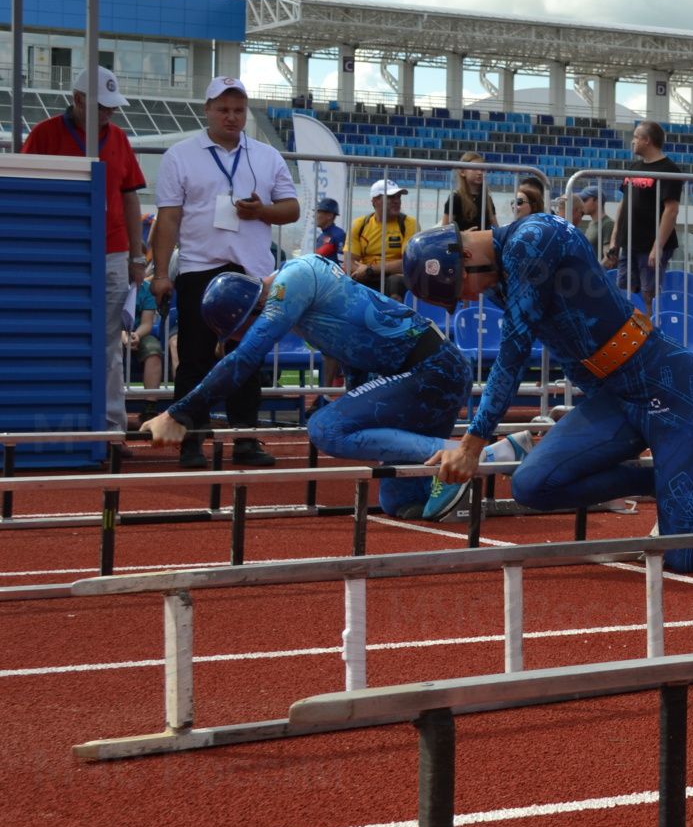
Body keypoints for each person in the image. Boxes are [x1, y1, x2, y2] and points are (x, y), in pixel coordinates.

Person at [406, 215, 693, 563]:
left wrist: (472, 443)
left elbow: (513, 354)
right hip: (617, 401)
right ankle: (660, 481)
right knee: (531, 485)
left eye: (461, 289)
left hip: (671, 391)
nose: (470, 298)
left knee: (686, 556)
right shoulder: (498, 275)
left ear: (465, 257)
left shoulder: (532, 240)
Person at [135, 255, 507, 518]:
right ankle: (467, 466)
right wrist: (358, 410)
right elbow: (356, 360)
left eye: (240, 331)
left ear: (251, 309)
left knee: (324, 428)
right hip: (428, 376)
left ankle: (478, 455)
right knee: (399, 500)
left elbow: (245, 359)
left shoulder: (292, 281)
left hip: (433, 370)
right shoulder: (304, 308)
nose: (241, 339)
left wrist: (177, 414)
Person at [149, 76, 298, 468]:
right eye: (223, 109)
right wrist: (161, 273)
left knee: (246, 357)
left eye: (238, 110)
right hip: (200, 267)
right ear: (207, 111)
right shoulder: (180, 155)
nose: (232, 117)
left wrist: (261, 211)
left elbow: (292, 208)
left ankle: (245, 439)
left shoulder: (267, 156)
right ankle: (191, 439)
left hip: (252, 273)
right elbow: (168, 218)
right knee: (196, 358)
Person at [23, 66, 149, 434]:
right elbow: (24, 191)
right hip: (59, 254)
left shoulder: (120, 139)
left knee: (109, 342)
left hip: (111, 252)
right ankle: (49, 424)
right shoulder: (44, 134)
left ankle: (111, 428)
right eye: (102, 106)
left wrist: (137, 257)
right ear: (78, 100)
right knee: (54, 334)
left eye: (112, 107)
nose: (109, 113)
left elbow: (130, 197)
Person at [611, 120, 682, 301]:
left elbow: (671, 210)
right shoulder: (634, 167)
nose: (632, 141)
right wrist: (615, 239)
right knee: (625, 291)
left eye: (636, 137)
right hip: (629, 243)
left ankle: (649, 329)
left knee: (648, 294)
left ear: (647, 140)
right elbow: (624, 203)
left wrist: (657, 247)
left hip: (649, 245)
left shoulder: (669, 170)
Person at [349, 179, 415, 298]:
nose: (397, 201)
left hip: (393, 278)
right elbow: (350, 262)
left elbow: (407, 263)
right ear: (375, 201)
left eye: (398, 197)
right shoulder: (359, 224)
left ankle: (396, 316)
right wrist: (365, 272)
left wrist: (370, 269)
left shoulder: (409, 224)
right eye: (391, 197)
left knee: (395, 282)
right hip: (366, 277)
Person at [128, 272, 164, 392]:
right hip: (113, 332)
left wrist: (136, 335)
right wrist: (122, 335)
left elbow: (147, 323)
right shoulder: (114, 286)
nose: (140, 270)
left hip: (140, 333)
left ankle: (150, 405)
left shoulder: (147, 288)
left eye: (143, 265)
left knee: (153, 350)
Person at [444, 152, 497, 232]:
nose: (480, 173)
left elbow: (495, 226)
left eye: (482, 169)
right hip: (463, 244)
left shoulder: (487, 199)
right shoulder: (456, 198)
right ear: (462, 172)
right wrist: (463, 235)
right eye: (474, 168)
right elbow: (444, 230)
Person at [310, 198, 346, 262]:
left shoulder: (339, 235)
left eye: (318, 212)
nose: (314, 216)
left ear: (329, 216)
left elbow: (342, 263)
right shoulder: (320, 237)